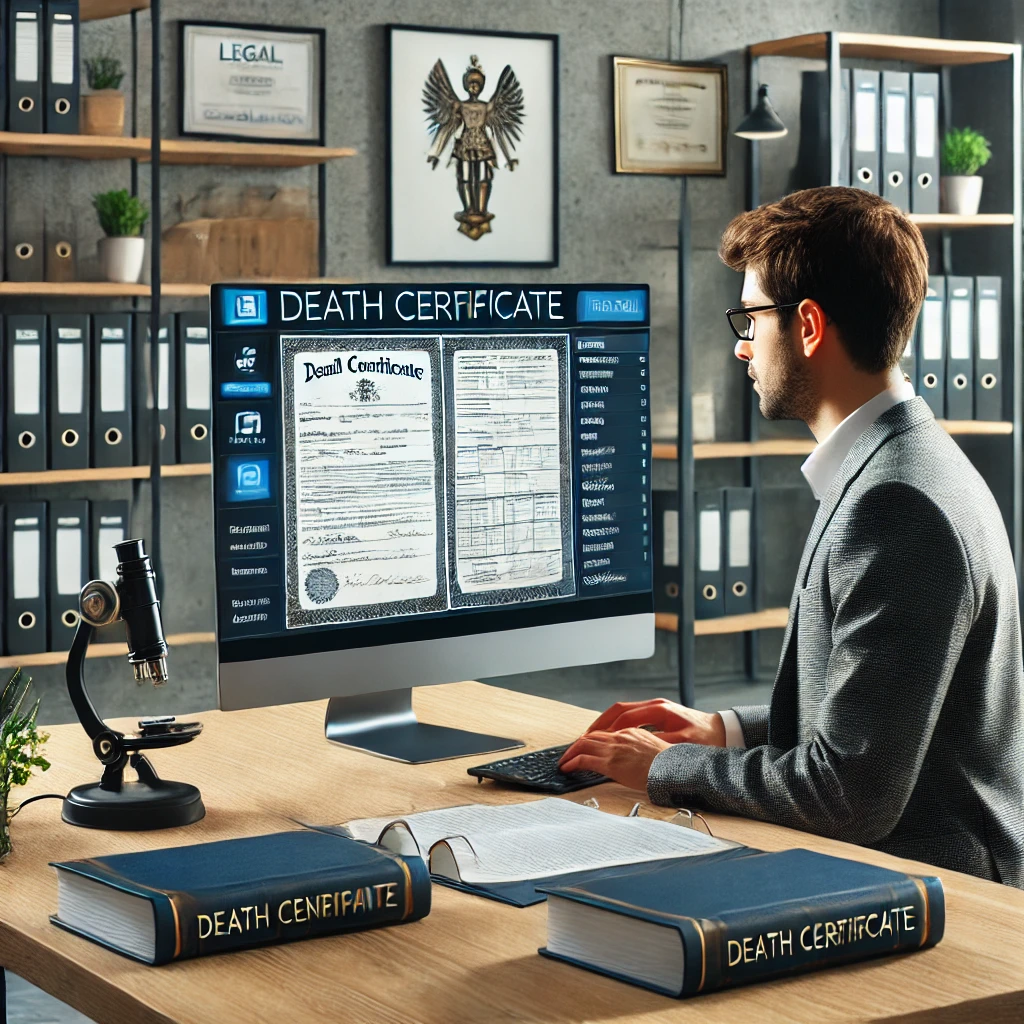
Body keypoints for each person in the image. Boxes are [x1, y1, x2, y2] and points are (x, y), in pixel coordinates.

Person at [560, 186, 1024, 888]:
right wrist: (725, 730)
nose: (744, 345)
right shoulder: (900, 462)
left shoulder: (896, 503)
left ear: (808, 325)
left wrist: (665, 767)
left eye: (751, 317)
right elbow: (876, 719)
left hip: (940, 895)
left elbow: (851, 795)